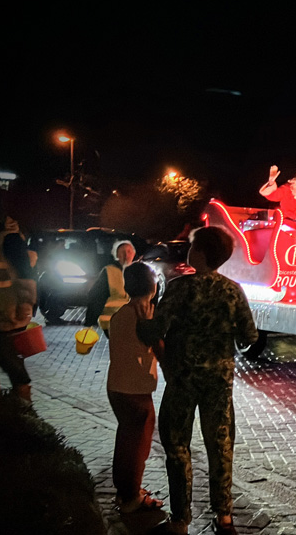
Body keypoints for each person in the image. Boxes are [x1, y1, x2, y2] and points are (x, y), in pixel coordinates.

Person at [138, 226, 258, 535]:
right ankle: (225, 517)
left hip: (182, 379)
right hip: (219, 381)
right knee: (220, 445)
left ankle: (180, 519)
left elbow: (154, 331)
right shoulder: (233, 290)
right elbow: (248, 338)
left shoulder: (179, 288)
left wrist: (142, 318)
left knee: (177, 445)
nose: (188, 252)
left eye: (192, 247)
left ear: (201, 252)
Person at [106, 262, 164, 514]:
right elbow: (161, 349)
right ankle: (131, 499)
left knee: (126, 440)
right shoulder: (145, 317)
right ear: (152, 286)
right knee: (137, 445)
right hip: (135, 390)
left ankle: (125, 491)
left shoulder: (121, 313)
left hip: (117, 385)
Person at [0, 200, 36, 405]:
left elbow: (26, 275)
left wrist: (25, 304)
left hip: (6, 312)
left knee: (8, 358)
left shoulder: (10, 239)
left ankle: (23, 403)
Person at [85, 239, 137, 335]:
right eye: (122, 252)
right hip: (111, 321)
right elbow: (96, 296)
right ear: (116, 255)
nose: (126, 255)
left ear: (134, 254)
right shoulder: (109, 271)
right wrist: (90, 321)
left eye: (129, 252)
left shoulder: (139, 272)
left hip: (133, 320)